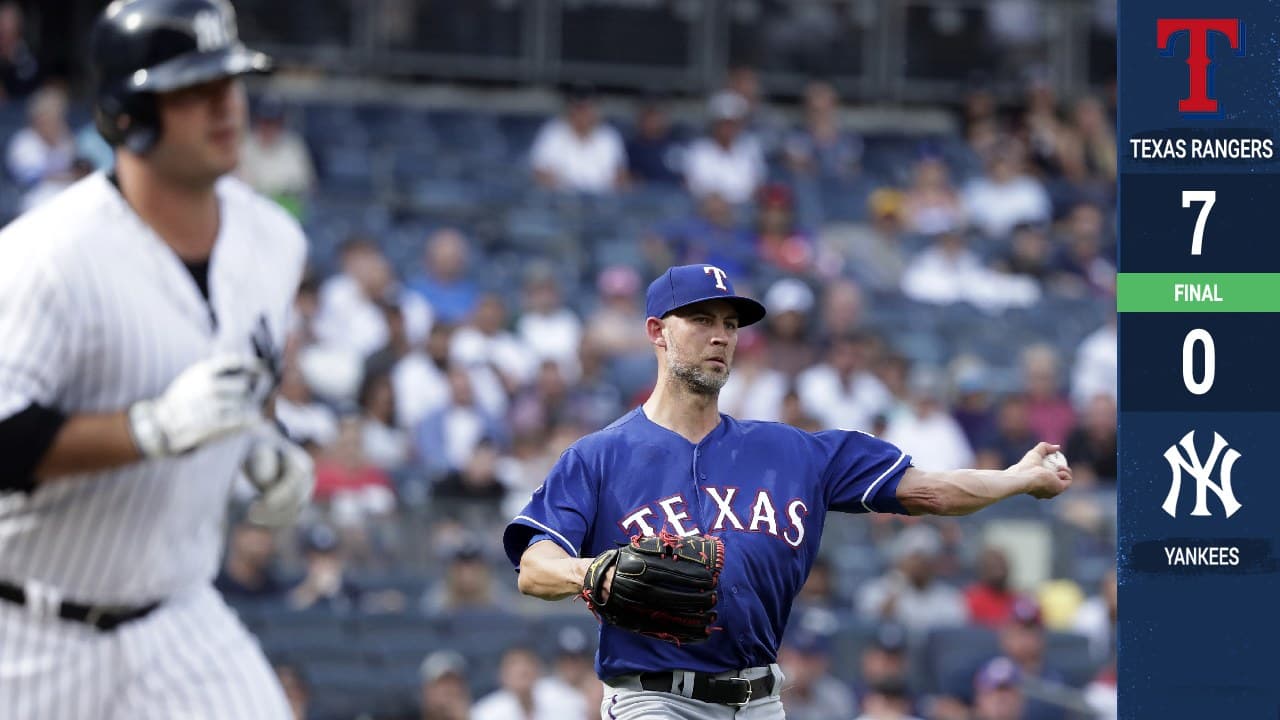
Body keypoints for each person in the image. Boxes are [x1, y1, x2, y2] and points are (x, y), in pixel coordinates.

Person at [503, 263, 1072, 718]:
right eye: (701, 319)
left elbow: (929, 490)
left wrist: (1016, 478)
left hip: (761, 700)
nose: (720, 336)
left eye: (730, 323)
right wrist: (594, 572)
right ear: (657, 331)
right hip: (654, 699)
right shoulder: (599, 456)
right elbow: (534, 568)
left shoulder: (795, 452)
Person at [0, 1, 313, 718]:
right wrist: (145, 432)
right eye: (192, 90)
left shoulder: (273, 240)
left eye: (229, 82)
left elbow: (246, 384)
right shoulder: (44, 258)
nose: (225, 106)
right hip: (24, 632)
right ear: (124, 113)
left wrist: (261, 448)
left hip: (179, 617)